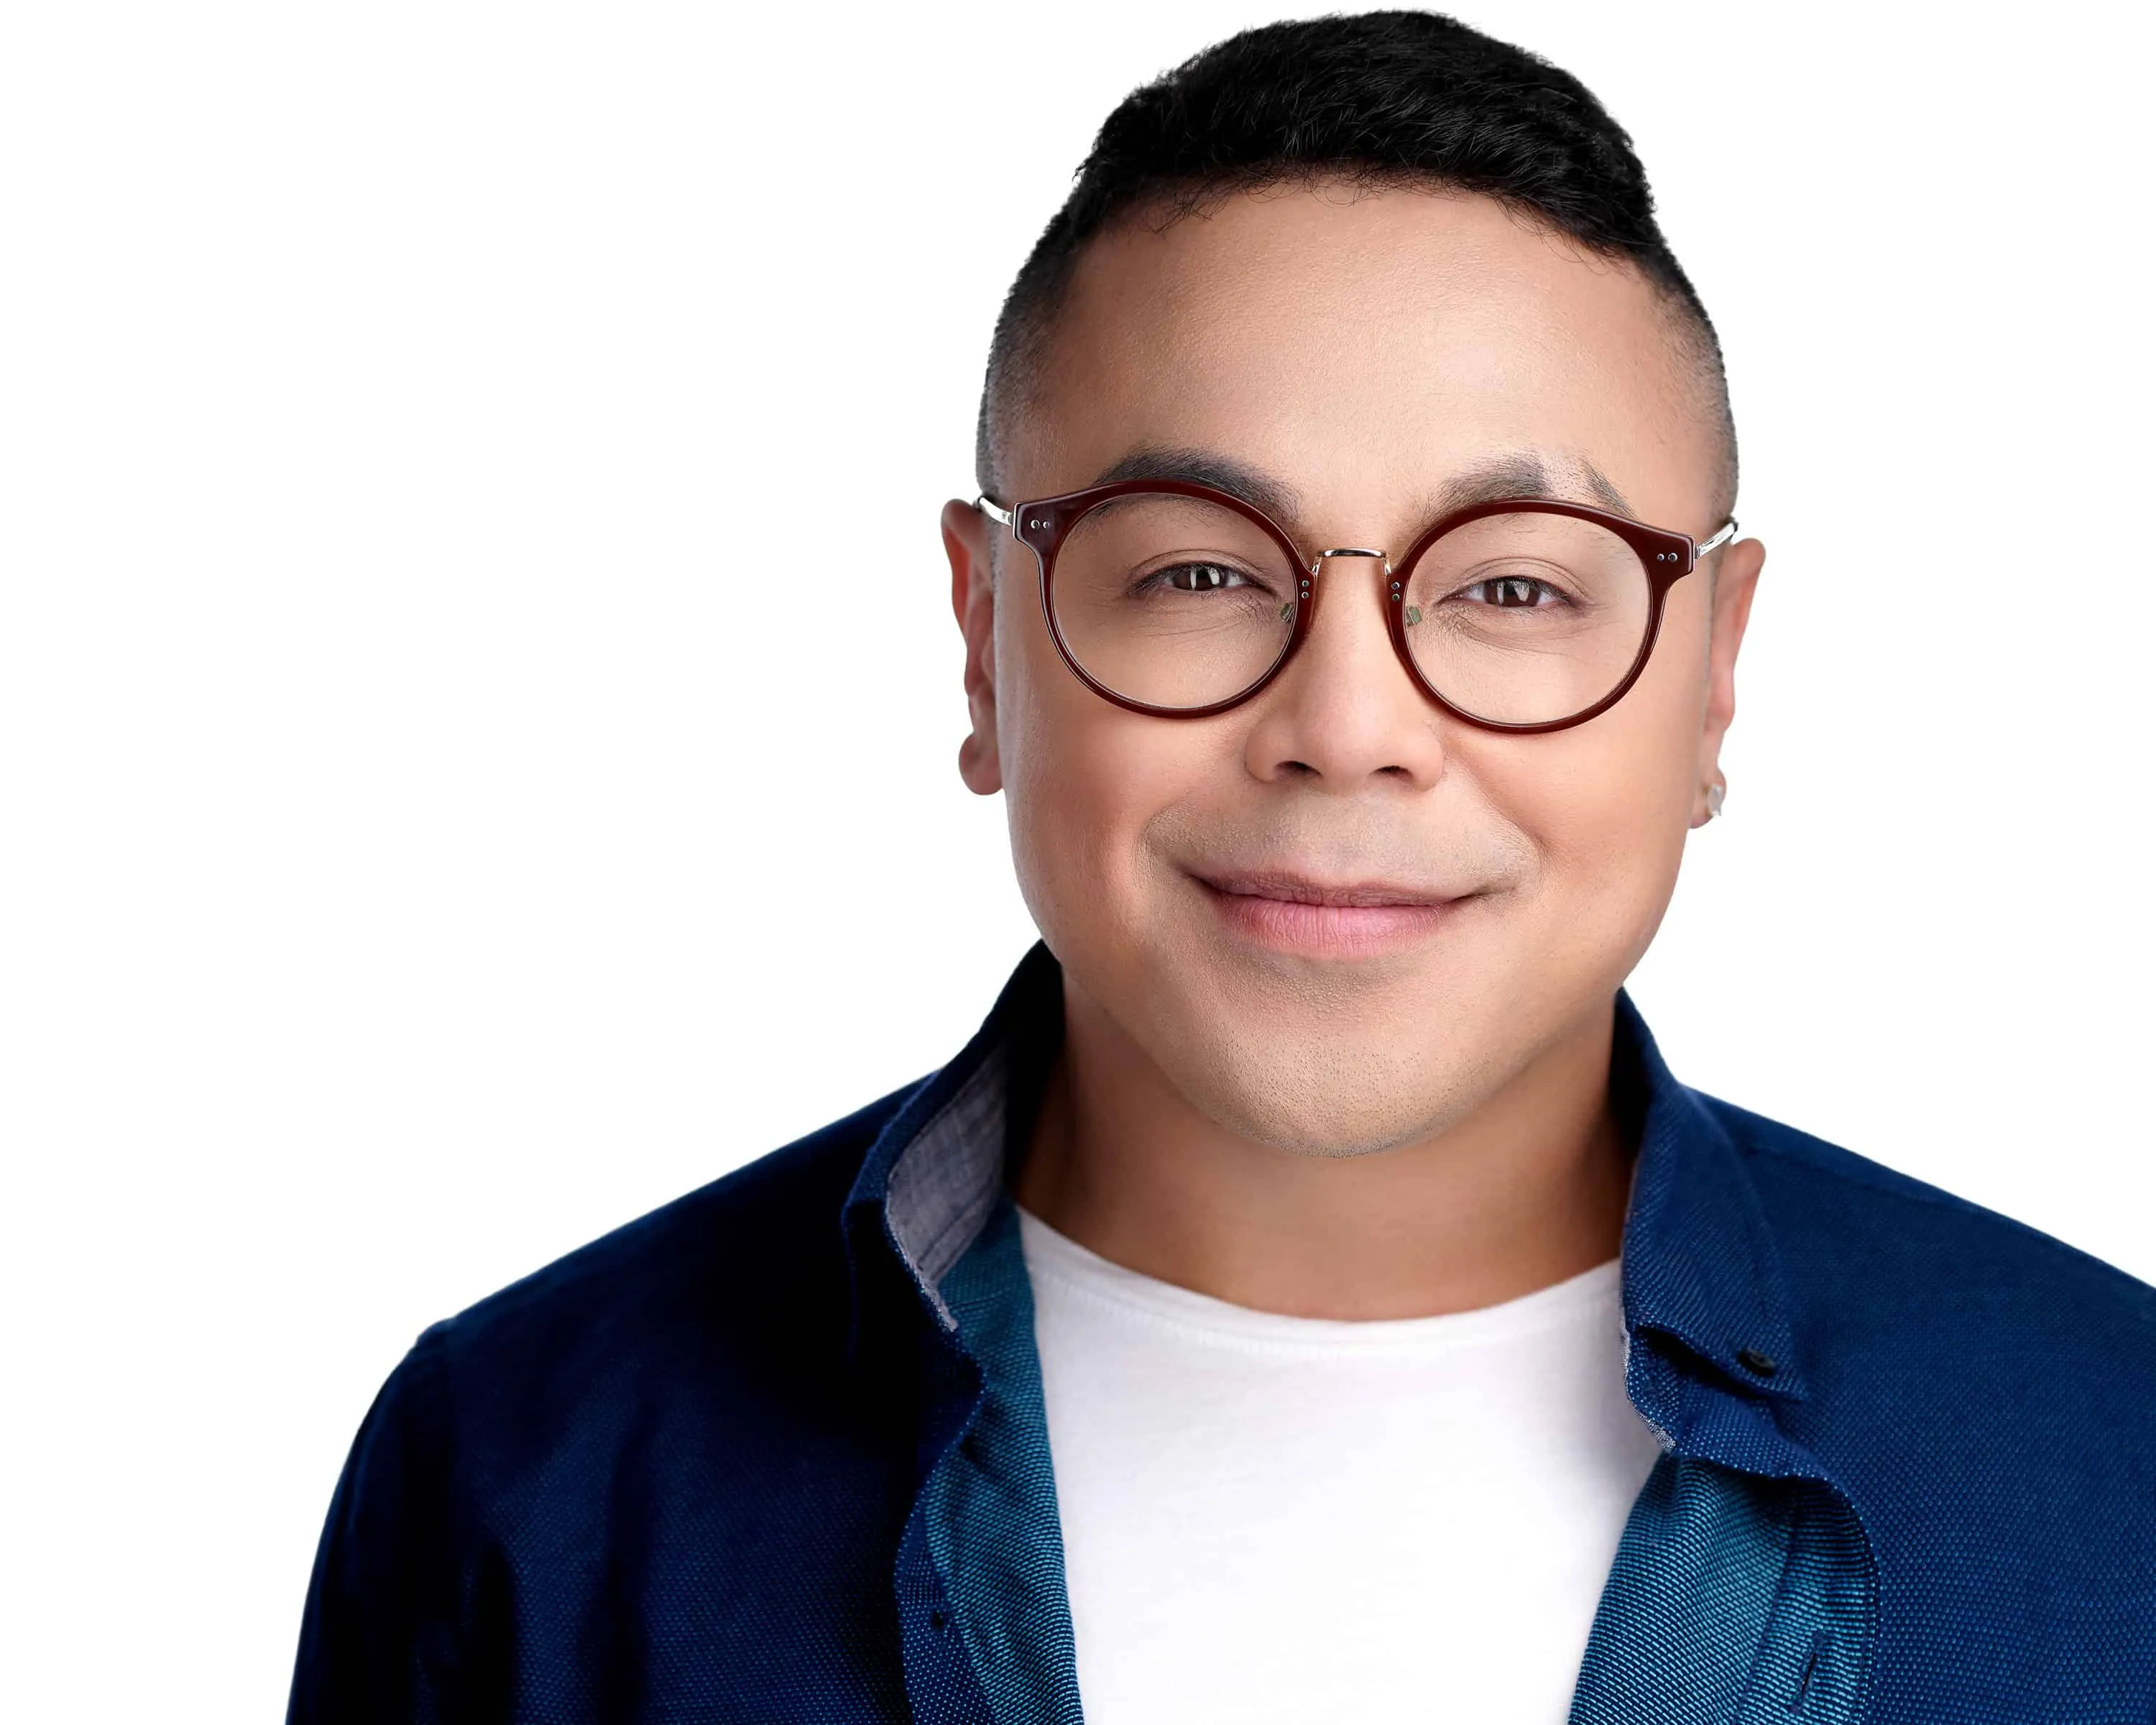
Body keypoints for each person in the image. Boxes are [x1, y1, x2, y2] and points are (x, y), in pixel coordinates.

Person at [287, 12, 2156, 1722]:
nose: (1348, 724)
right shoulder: (524, 1480)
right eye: (1195, 569)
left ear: (1716, 672)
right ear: (984, 639)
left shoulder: (2114, 1469)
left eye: (1513, 584)